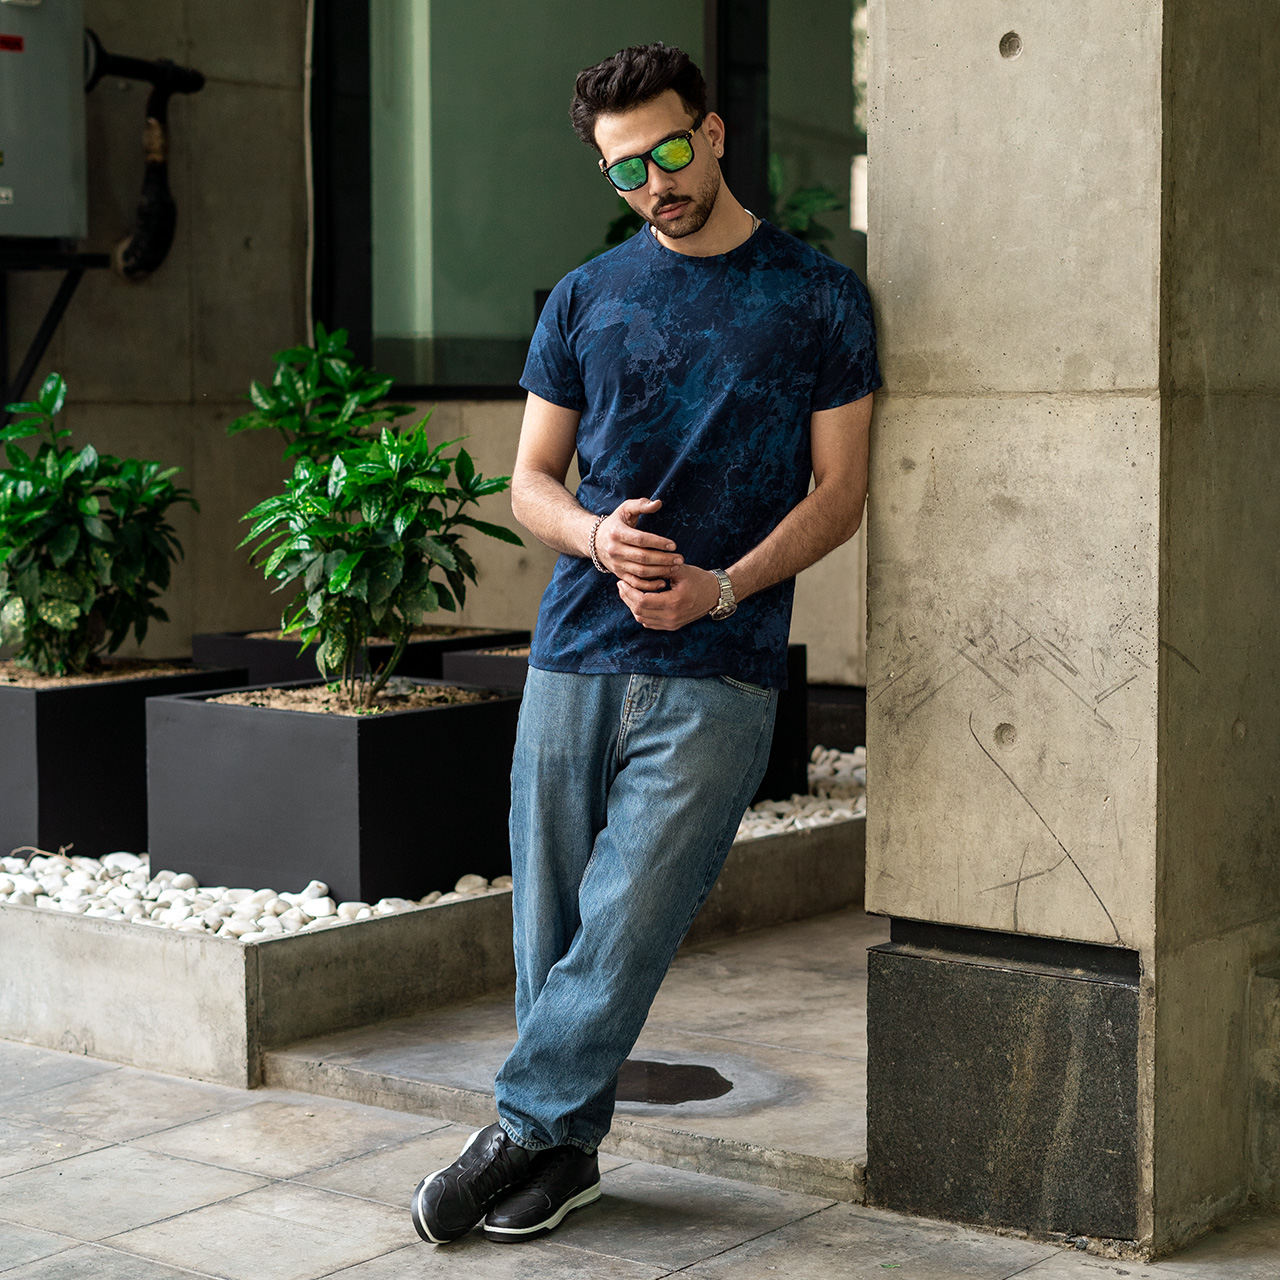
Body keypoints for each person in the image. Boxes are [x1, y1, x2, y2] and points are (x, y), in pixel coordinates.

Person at [412, 40, 879, 1247]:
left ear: (711, 134)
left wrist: (722, 586)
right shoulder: (583, 296)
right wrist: (592, 533)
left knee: (625, 924)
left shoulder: (818, 297)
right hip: (573, 649)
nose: (655, 184)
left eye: (670, 152)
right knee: (550, 931)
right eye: (626, 169)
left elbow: (839, 493)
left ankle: (516, 1126)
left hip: (718, 662)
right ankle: (563, 1156)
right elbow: (528, 480)